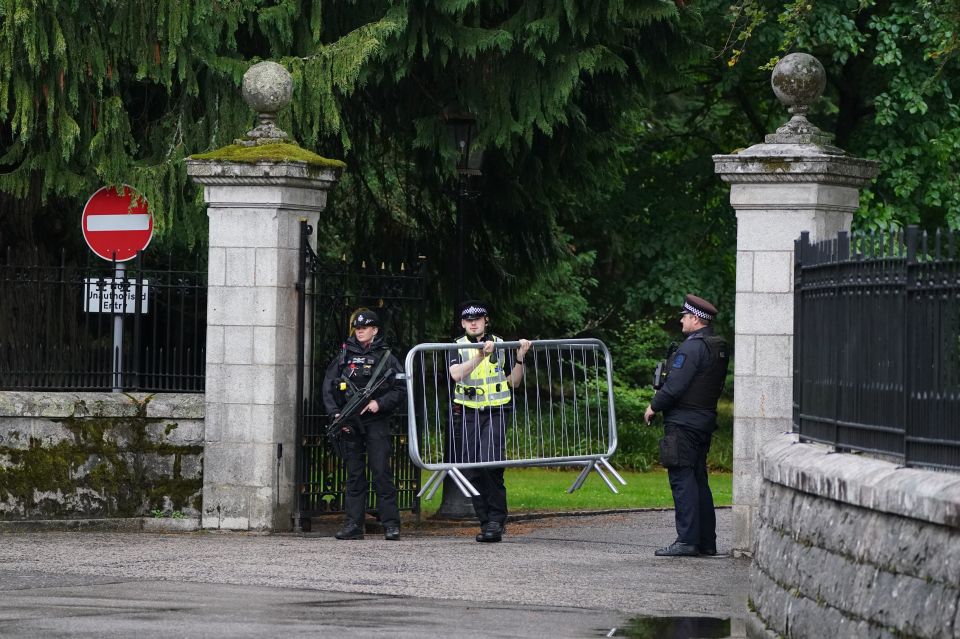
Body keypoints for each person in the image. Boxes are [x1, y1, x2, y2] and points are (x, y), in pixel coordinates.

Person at [644, 294, 730, 557]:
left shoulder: (692, 348)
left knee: (682, 480)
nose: (681, 320)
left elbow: (675, 386)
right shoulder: (716, 346)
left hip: (683, 423)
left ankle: (687, 541)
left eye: (684, 316)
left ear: (695, 318)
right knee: (698, 480)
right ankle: (705, 542)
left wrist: (653, 406)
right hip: (702, 422)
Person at [448, 301, 531, 543]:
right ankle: (485, 523)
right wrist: (480, 356)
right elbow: (456, 375)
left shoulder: (501, 342)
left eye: (478, 318)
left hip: (495, 411)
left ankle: (496, 520)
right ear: (463, 323)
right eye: (468, 319)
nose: (473, 322)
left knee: (491, 465)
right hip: (466, 413)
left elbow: (513, 382)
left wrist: (520, 359)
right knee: (473, 469)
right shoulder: (457, 345)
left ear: (486, 321)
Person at [322, 309, 405, 541]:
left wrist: (380, 403)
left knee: (381, 472)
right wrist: (336, 414)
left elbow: (401, 389)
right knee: (354, 475)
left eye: (365, 328)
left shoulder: (386, 356)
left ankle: (390, 524)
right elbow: (328, 387)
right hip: (350, 422)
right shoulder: (344, 354)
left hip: (376, 421)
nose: (360, 331)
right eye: (357, 328)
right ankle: (353, 525)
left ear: (374, 330)